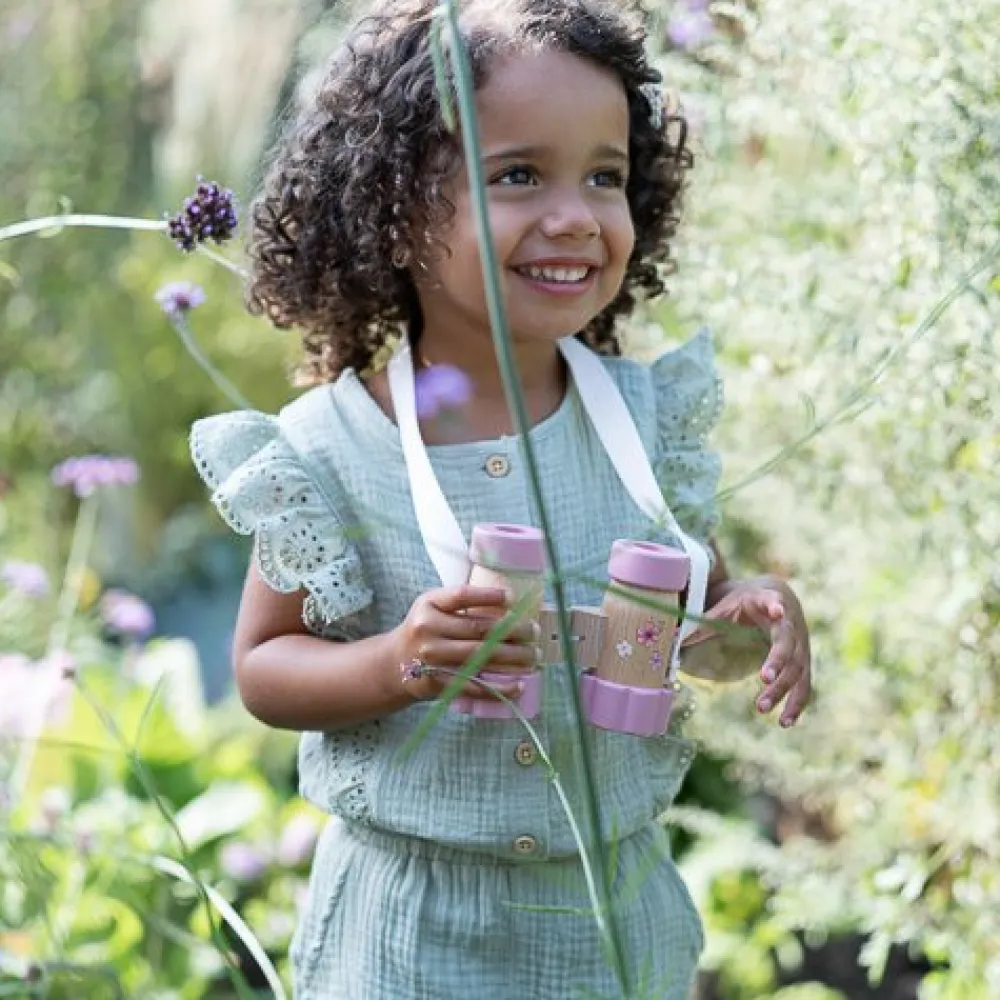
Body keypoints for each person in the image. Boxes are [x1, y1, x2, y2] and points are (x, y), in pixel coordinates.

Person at [190, 1, 812, 997]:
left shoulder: (646, 423)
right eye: (518, 174)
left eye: (603, 176)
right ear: (392, 208)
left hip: (608, 930)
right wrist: (396, 661)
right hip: (410, 940)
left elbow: (692, 629)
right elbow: (263, 668)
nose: (574, 214)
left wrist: (754, 617)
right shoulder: (330, 448)